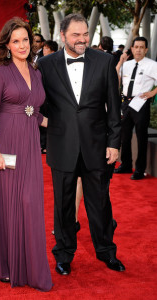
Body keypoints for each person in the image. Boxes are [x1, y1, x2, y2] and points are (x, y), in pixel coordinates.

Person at [38, 13, 125, 276]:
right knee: (63, 205)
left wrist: (114, 143)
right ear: (62, 36)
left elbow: (114, 106)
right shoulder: (45, 65)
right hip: (62, 145)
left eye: (85, 33)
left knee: (99, 203)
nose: (82, 39)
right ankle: (63, 254)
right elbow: (40, 106)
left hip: (96, 146)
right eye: (76, 35)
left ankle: (106, 252)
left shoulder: (104, 61)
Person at [0, 17, 52, 291]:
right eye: (16, 41)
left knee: (29, 201)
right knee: (5, 202)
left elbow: (33, 114)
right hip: (3, 143)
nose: (22, 45)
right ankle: (4, 265)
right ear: (7, 45)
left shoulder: (36, 73)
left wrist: (68, 126)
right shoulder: (0, 73)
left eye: (25, 39)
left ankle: (27, 264)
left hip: (30, 145)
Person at [114, 37, 157, 180]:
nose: (138, 49)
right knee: (124, 136)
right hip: (126, 103)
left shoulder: (152, 65)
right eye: (136, 47)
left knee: (141, 137)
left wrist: (152, 93)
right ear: (131, 49)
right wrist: (120, 62)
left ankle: (139, 169)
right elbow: (116, 79)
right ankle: (126, 164)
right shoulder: (126, 64)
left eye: (141, 47)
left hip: (141, 103)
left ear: (146, 49)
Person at [40, 40, 59, 154]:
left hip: (53, 96)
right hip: (43, 96)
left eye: (46, 48)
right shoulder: (41, 62)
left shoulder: (57, 62)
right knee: (42, 120)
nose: (44, 50)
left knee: (50, 121)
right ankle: (42, 144)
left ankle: (48, 145)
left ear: (52, 50)